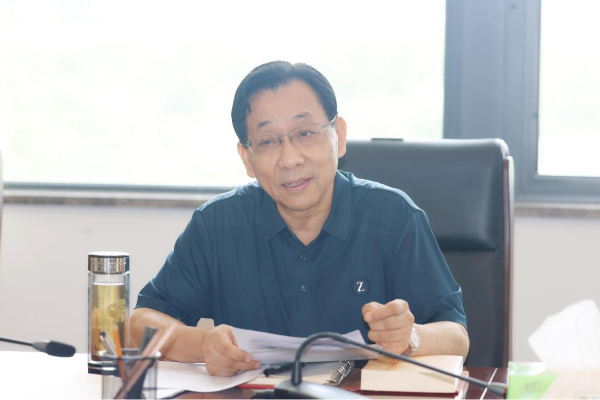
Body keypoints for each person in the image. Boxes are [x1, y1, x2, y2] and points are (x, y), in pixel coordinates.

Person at [130, 61, 469, 376]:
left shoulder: (394, 216)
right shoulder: (217, 224)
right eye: (268, 141)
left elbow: (457, 336)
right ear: (246, 158)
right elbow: (140, 323)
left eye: (305, 133)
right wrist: (201, 344)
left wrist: (411, 337)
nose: (290, 159)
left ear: (339, 136)